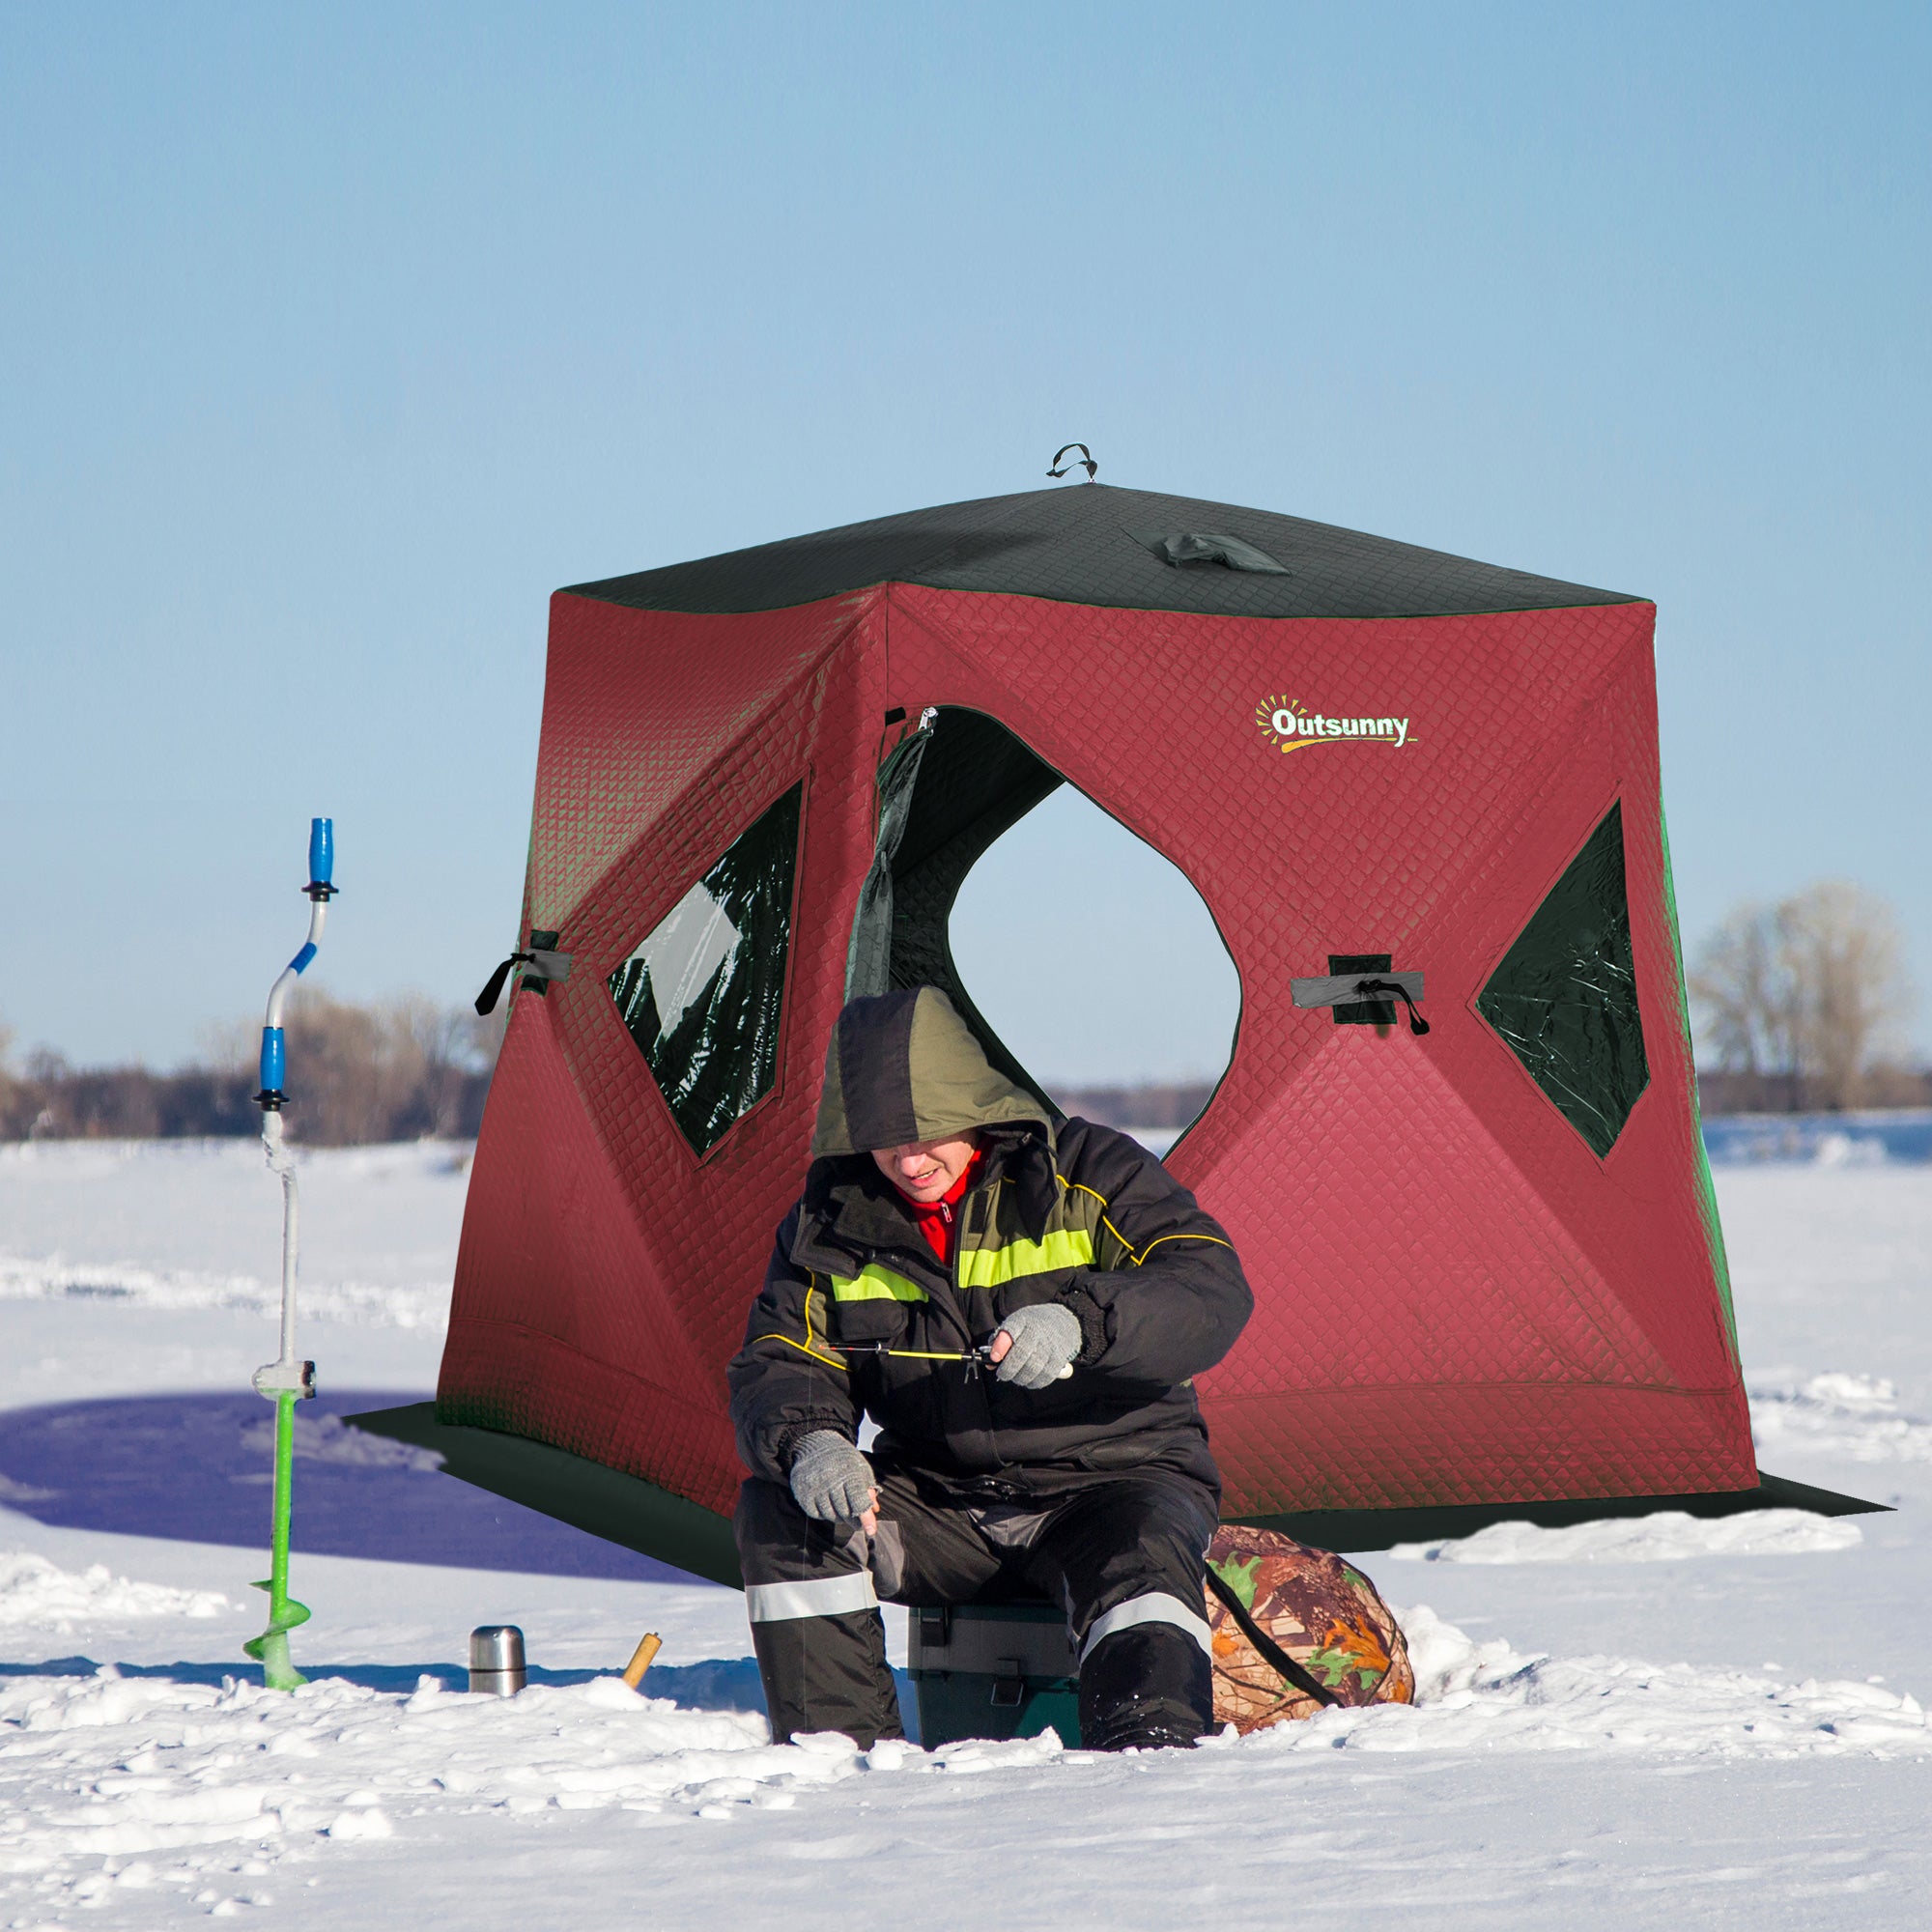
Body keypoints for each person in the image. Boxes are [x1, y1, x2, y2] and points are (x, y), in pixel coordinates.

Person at [727, 985, 1253, 1751]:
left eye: (930, 1131)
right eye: (884, 1139)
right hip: (944, 1507)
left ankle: (1149, 1762)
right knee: (785, 1513)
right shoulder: (828, 1219)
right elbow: (783, 1353)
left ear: (975, 1105)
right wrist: (811, 1441)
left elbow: (1208, 1288)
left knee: (1140, 1556)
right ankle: (841, 1764)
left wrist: (1081, 1323)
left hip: (1112, 1485)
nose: (910, 1160)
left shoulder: (1089, 1170)